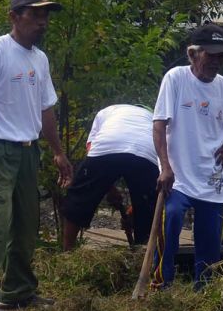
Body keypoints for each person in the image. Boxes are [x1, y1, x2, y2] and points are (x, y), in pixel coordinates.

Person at [0, 0, 74, 311]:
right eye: (35, 14)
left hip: (28, 152)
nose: (42, 22)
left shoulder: (39, 58)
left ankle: (17, 292)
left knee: (27, 226)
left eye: (46, 16)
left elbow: (46, 110)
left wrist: (57, 152)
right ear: (14, 16)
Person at [152, 23, 223, 289]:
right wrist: (165, 167)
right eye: (210, 55)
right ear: (193, 54)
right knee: (172, 220)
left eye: (221, 56)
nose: (216, 61)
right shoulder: (176, 78)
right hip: (178, 175)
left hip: (211, 177)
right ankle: (161, 284)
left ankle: (203, 291)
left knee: (210, 240)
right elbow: (159, 124)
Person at [60, 104, 159, 250]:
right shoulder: (153, 118)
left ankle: (67, 251)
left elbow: (91, 150)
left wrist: (108, 188)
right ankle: (143, 254)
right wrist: (114, 192)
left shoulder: (106, 112)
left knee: (79, 197)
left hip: (108, 144)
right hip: (146, 151)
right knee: (148, 206)